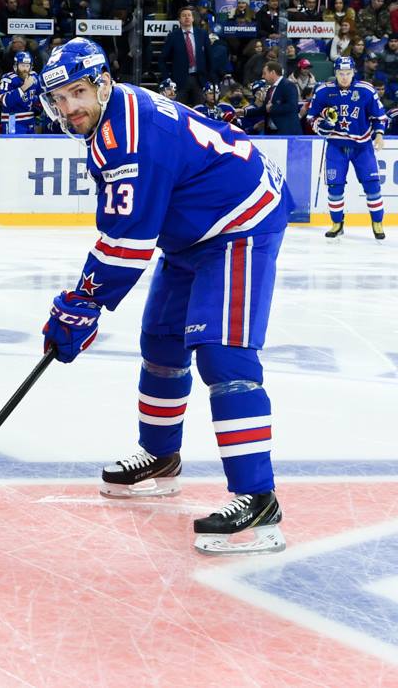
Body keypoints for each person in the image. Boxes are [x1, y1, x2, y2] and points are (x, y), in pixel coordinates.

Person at [37, 37, 290, 555]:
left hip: (240, 222)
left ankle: (258, 498)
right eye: (59, 99)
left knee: (224, 357)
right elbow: (131, 227)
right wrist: (85, 300)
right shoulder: (109, 118)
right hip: (192, 232)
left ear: (103, 82)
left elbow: (129, 240)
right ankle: (160, 458)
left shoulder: (130, 135)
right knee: (161, 342)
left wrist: (82, 302)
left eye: (78, 93)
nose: (69, 109)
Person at [308, 56, 387, 240]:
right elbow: (311, 117)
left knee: (372, 185)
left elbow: (380, 116)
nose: (344, 77)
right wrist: (322, 125)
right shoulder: (323, 91)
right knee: (335, 187)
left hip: (362, 147)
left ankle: (377, 223)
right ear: (335, 73)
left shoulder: (366, 90)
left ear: (354, 73)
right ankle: (337, 224)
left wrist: (380, 134)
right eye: (341, 73)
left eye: (348, 73)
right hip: (336, 146)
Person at [159, 7, 208, 106]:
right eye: (184, 15)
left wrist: (209, 78)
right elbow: (162, 59)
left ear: (193, 18)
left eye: (189, 15)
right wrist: (167, 78)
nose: (187, 17)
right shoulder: (173, 36)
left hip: (199, 79)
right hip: (179, 80)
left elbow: (209, 56)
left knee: (200, 112)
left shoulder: (202, 34)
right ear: (179, 19)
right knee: (179, 110)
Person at [0, 51, 39, 133]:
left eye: (27, 66)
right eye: (22, 65)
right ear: (15, 66)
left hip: (30, 121)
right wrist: (24, 87)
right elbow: (6, 101)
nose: (25, 69)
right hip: (13, 121)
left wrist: (38, 108)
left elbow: (41, 95)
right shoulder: (8, 79)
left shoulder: (34, 77)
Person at [262, 60, 301, 135]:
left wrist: (272, 108)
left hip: (287, 134)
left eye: (264, 73)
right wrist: (244, 112)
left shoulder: (289, 85)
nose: (263, 76)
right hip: (272, 133)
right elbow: (265, 108)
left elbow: (292, 106)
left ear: (272, 73)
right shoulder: (270, 89)